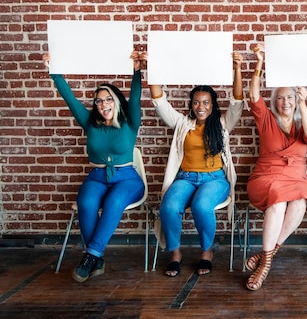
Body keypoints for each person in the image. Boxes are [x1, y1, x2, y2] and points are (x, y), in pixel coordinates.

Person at [43, 50, 147, 283]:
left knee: (114, 201)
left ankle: (90, 255)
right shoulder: (90, 123)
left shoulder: (130, 122)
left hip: (127, 178)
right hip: (97, 176)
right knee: (86, 202)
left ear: (117, 101)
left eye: (108, 98)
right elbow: (69, 98)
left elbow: (136, 97)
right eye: (98, 100)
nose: (103, 104)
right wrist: (54, 71)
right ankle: (96, 258)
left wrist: (137, 71)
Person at [149, 52, 244, 277]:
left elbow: (237, 102)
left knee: (202, 207)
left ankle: (206, 252)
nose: (201, 106)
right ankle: (175, 253)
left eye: (205, 102)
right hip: (186, 178)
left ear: (212, 105)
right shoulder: (183, 123)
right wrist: (151, 66)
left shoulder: (222, 124)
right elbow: (159, 101)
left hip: (215, 179)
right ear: (191, 105)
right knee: (169, 207)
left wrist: (237, 68)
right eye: (196, 102)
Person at [244, 43, 307, 291]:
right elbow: (254, 95)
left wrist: (305, 104)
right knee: (277, 200)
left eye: (290, 97)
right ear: (274, 101)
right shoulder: (266, 118)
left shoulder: (301, 119)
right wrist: (259, 64)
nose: (285, 101)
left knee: (300, 201)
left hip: (296, 177)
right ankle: (265, 265)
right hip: (267, 176)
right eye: (280, 97)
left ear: (295, 100)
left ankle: (266, 257)